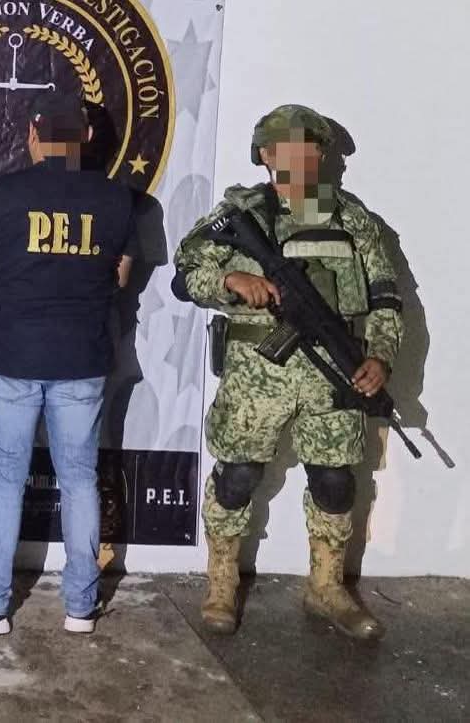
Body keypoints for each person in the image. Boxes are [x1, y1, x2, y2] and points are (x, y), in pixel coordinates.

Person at [172, 105, 402, 640]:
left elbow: (385, 296)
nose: (299, 157)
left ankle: (326, 586)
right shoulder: (242, 213)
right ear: (265, 155)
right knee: (237, 476)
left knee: (335, 481)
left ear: (320, 155)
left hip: (334, 373)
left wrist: (381, 356)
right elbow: (186, 272)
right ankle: (221, 582)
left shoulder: (349, 217)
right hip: (258, 372)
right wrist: (231, 281)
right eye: (286, 147)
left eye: (309, 147)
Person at [0, 95, 136, 636]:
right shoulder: (118, 200)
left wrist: (13, 299)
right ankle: (81, 605)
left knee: (6, 476)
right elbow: (118, 279)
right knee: (80, 479)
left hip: (15, 354)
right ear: (85, 138)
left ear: (32, 134)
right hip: (83, 357)